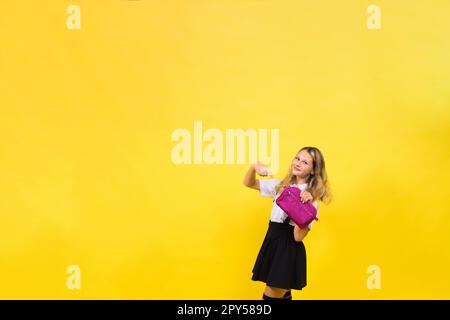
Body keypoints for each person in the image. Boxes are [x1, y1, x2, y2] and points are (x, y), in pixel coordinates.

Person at [243, 146, 332, 300]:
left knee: (270, 298)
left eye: (305, 162)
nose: (298, 163)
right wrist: (253, 167)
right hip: (272, 242)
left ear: (313, 170)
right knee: (283, 296)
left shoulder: (311, 200)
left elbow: (297, 237)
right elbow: (249, 183)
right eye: (297, 158)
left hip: (287, 250)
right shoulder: (281, 186)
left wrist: (303, 208)